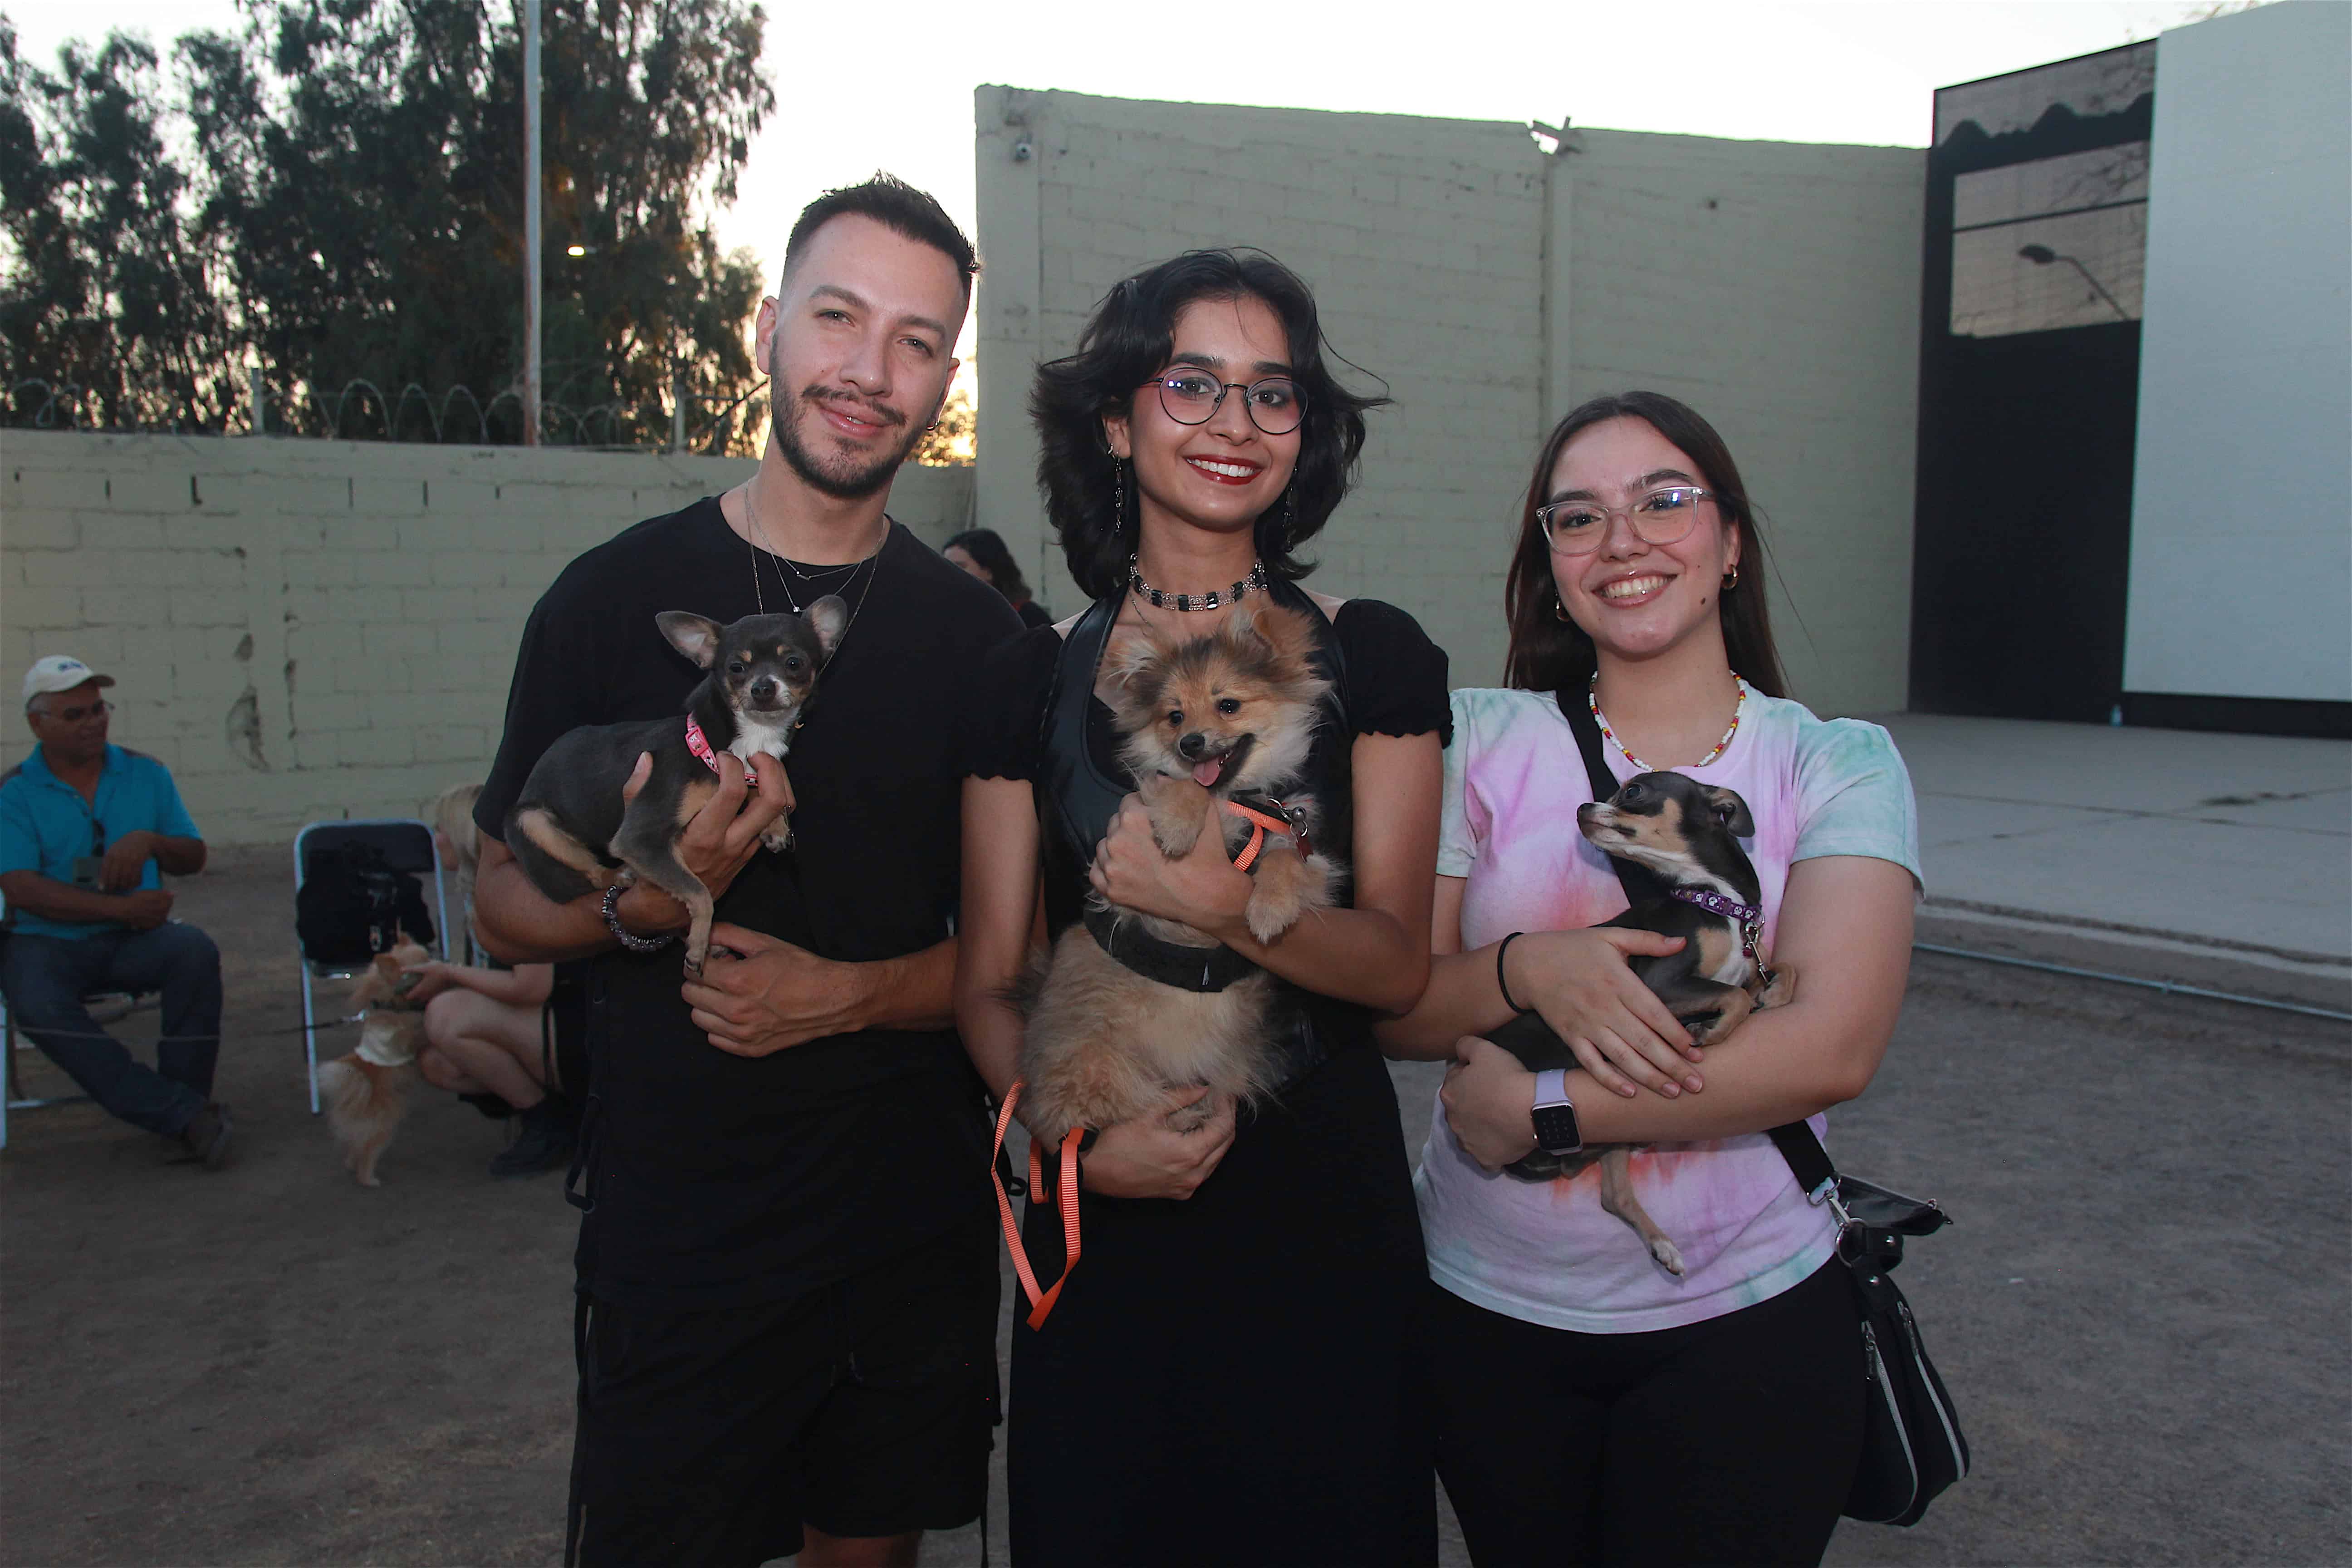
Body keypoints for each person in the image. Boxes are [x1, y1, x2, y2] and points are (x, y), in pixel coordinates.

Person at [470, 174, 1019, 1568]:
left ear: (946, 377)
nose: (867, 370)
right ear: (768, 327)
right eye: (838, 318)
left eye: (914, 341)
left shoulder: (978, 645)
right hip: (683, 1231)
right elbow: (500, 901)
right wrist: (641, 908)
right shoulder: (606, 601)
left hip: (903, 1218)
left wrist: (848, 997)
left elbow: (1035, 957)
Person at [955, 249, 1447, 1566]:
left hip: (1322, 1237)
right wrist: (1059, 1155)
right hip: (1109, 1225)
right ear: (1115, 419)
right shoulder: (1024, 679)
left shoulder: (1376, 657)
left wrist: (1223, 907)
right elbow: (986, 976)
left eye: (1272, 394)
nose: (1236, 423)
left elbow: (1399, 967)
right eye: (1191, 384)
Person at [1375, 392, 1921, 1567]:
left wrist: (1548, 1109)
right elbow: (1394, 999)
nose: (1622, 540)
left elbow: (1832, 1048)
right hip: (1485, 1317)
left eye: (1664, 501)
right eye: (1579, 519)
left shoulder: (1834, 762)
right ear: (1551, 567)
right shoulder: (1476, 738)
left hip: (1748, 1325)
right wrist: (1534, 969)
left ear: (1730, 547)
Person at [0, 656, 230, 1166]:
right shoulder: (14, 793)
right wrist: (123, 910)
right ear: (38, 724)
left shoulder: (145, 773)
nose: (93, 723)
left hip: (135, 939)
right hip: (45, 941)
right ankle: (182, 1114)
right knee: (38, 1006)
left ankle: (185, 1106)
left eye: (98, 710)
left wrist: (151, 842)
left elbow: (193, 857)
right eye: (75, 715)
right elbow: (20, 889)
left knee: (193, 952)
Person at [941, 527, 1053, 627]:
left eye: (959, 567)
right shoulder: (947, 616)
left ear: (989, 571)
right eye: (946, 567)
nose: (949, 574)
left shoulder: (1029, 618)